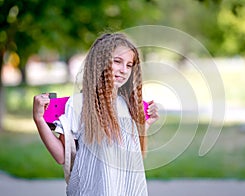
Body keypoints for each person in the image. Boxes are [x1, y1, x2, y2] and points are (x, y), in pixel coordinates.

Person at [33, 33, 159, 196]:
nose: (124, 70)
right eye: (117, 61)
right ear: (99, 63)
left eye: (129, 65)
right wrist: (38, 119)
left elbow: (129, 152)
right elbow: (61, 157)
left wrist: (145, 125)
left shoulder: (128, 106)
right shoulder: (79, 104)